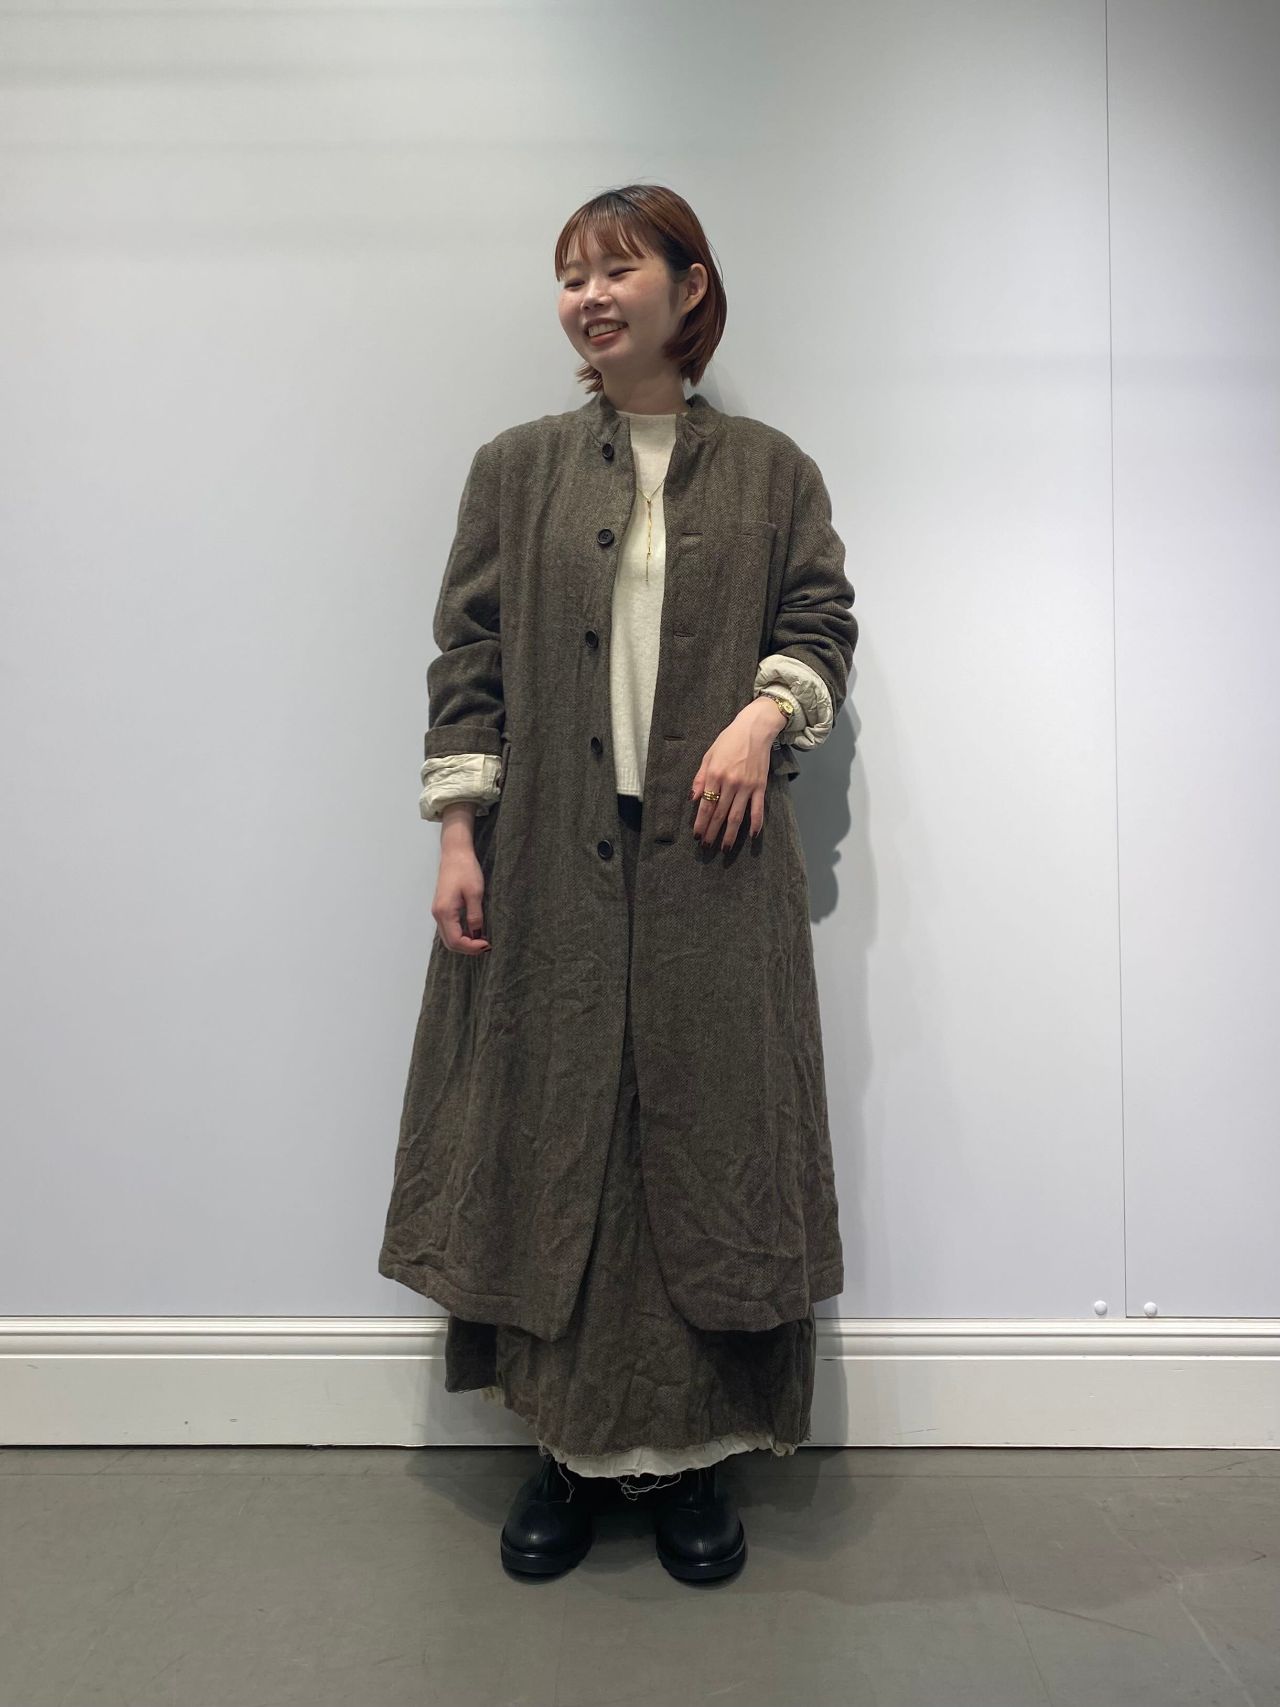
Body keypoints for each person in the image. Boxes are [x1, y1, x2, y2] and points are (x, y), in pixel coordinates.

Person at [378, 183, 857, 1583]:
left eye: (616, 269)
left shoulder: (772, 473)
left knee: (704, 1143)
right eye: (571, 276)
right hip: (548, 859)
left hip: (714, 863)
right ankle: (566, 1452)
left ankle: (697, 1460)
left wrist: (763, 718)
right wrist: (458, 835)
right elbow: (468, 659)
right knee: (557, 1132)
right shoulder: (515, 469)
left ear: (689, 286)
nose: (588, 298)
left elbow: (822, 617)